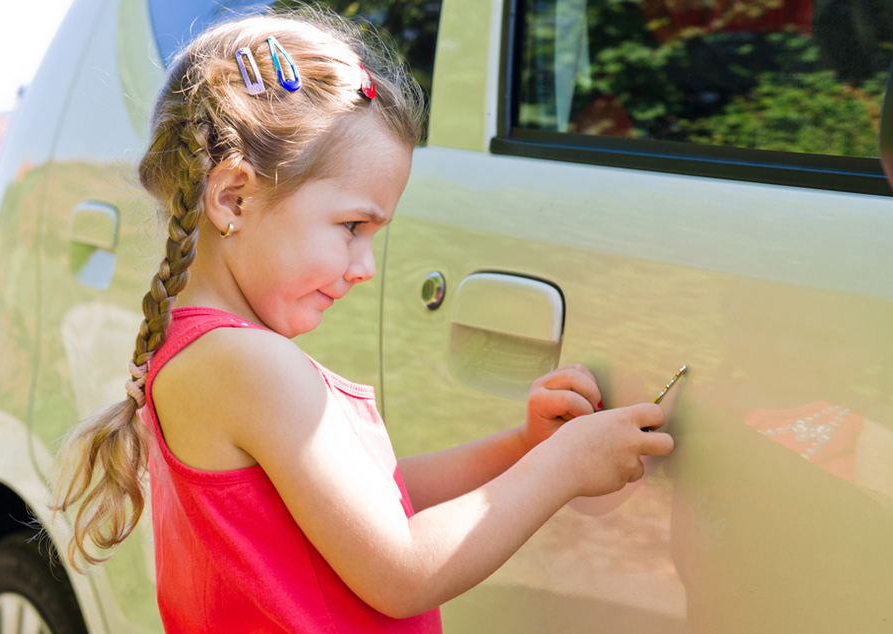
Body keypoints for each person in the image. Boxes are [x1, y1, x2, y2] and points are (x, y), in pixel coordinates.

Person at [50, 7, 673, 632]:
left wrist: (522, 449)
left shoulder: (206, 354)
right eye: (353, 227)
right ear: (233, 196)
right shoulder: (248, 364)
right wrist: (563, 467)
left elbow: (372, 504)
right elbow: (402, 572)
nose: (364, 267)